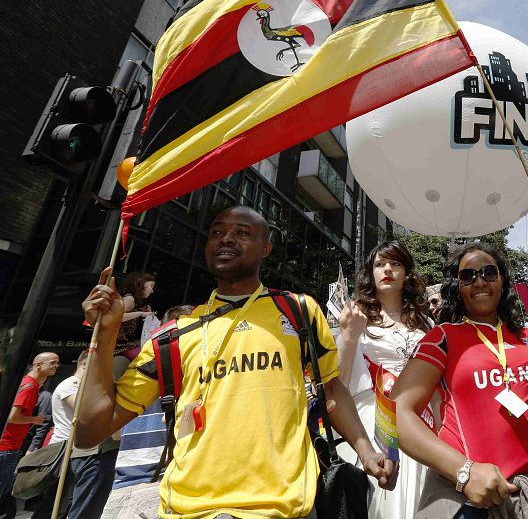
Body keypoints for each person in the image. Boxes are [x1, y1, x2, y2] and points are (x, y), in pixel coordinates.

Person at [77, 205, 394, 519]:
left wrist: (365, 449)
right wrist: (105, 333)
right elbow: (90, 432)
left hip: (284, 508)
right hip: (190, 511)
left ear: (266, 249)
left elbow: (332, 388)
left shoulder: (299, 311)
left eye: (242, 232)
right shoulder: (171, 336)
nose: (226, 239)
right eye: (217, 232)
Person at [392, 243, 528, 519]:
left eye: (488, 272)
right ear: (458, 288)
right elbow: (396, 412)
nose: (479, 281)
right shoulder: (442, 338)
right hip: (473, 502)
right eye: (468, 276)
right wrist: (464, 472)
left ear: (502, 281)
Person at [335, 240, 433, 519]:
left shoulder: (425, 322)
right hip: (374, 418)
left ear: (407, 273)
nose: (387, 269)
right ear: (371, 272)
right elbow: (338, 382)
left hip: (421, 418)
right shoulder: (355, 315)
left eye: (395, 263)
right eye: (380, 264)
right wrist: (349, 336)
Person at [100, 305, 195, 519]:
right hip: (162, 486)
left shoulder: (136, 378)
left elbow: (116, 434)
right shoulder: (188, 383)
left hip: (123, 485)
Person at [33, 349, 118, 519]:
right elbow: (86, 410)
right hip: (65, 449)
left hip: (75, 450)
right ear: (85, 364)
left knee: (66, 501)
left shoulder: (81, 386)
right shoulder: (71, 384)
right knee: (55, 503)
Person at [0, 351, 59, 519]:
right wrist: (35, 419)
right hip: (8, 448)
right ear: (37, 365)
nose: (56, 366)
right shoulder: (30, 386)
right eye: (52, 363)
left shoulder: (27, 383)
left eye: (57, 363)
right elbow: (13, 417)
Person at [112, 272, 156, 379]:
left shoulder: (132, 301)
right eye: (151, 286)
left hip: (124, 345)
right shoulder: (129, 299)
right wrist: (140, 314)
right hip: (122, 346)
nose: (152, 290)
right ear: (140, 283)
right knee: (147, 362)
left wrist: (141, 311)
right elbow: (116, 316)